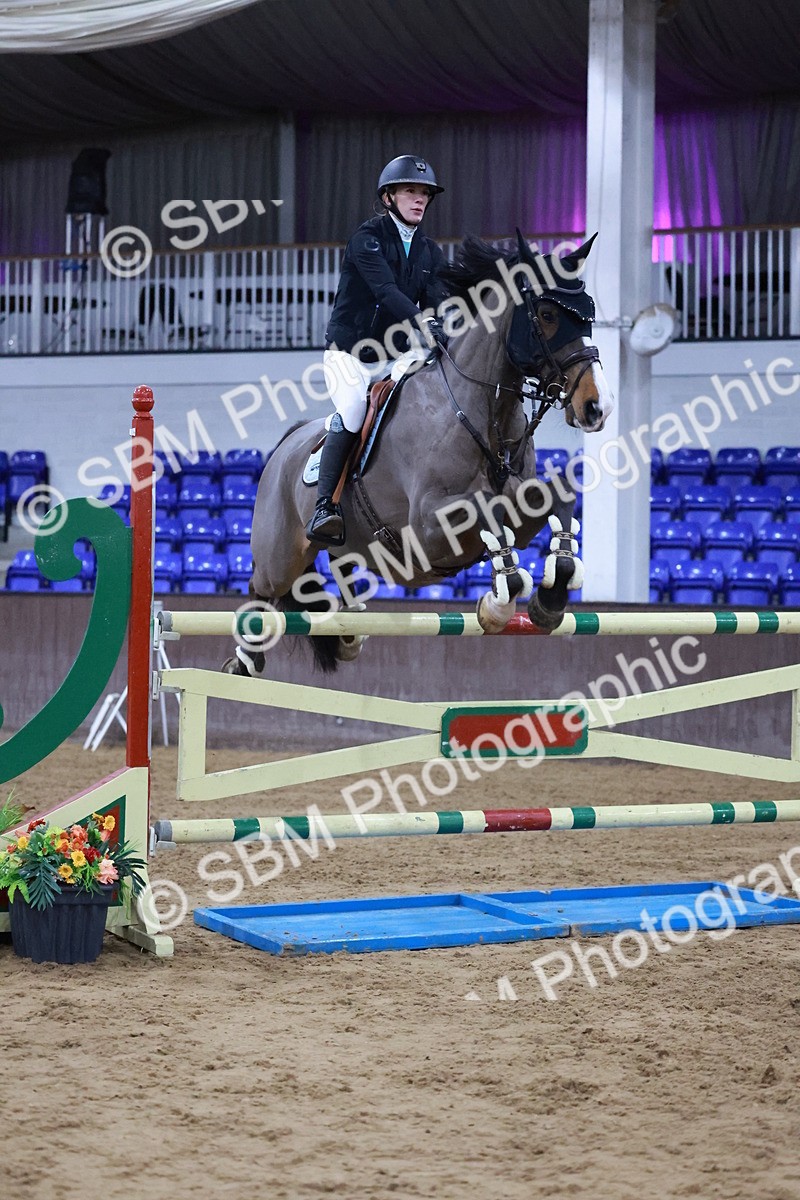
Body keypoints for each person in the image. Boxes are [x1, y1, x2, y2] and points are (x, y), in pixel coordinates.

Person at [305, 155, 450, 545]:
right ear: (388, 197)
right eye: (410, 191)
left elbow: (435, 300)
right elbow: (386, 292)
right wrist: (424, 322)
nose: (419, 199)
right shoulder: (366, 239)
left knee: (421, 402)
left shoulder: (430, 252)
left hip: (396, 354)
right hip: (349, 353)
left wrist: (444, 323)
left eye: (424, 194)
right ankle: (325, 506)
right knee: (354, 411)